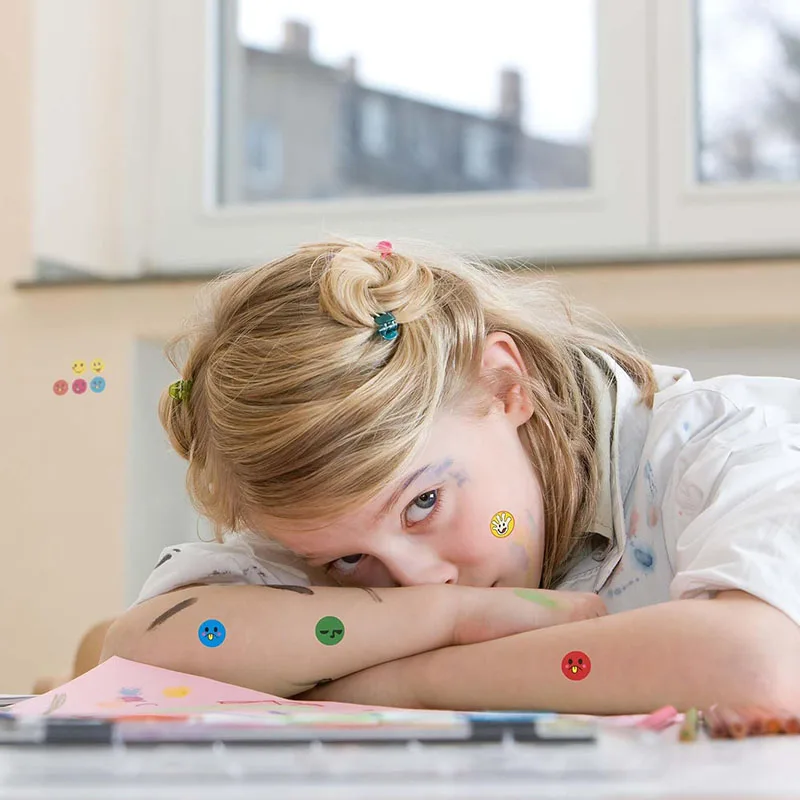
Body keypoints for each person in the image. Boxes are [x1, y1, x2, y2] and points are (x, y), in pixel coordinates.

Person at [101, 237, 800, 714]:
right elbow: (147, 648)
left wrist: (410, 684)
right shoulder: (343, 525)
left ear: (504, 386)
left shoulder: (725, 447)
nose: (411, 578)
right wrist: (451, 615)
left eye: (424, 502)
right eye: (349, 558)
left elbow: (759, 668)